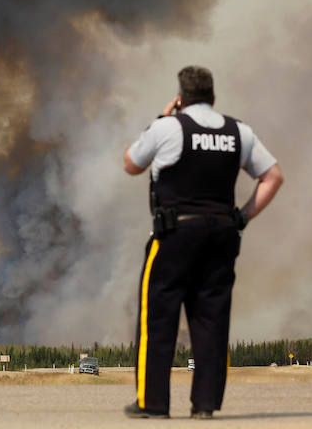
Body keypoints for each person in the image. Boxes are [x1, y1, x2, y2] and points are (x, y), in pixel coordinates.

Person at [121, 66, 283, 419]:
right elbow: (273, 177)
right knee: (211, 318)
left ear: (181, 98)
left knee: (158, 316)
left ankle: (152, 402)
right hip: (223, 234)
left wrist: (160, 119)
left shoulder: (168, 127)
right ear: (214, 97)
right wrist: (241, 217)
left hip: (176, 233)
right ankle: (205, 405)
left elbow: (131, 164)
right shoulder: (238, 132)